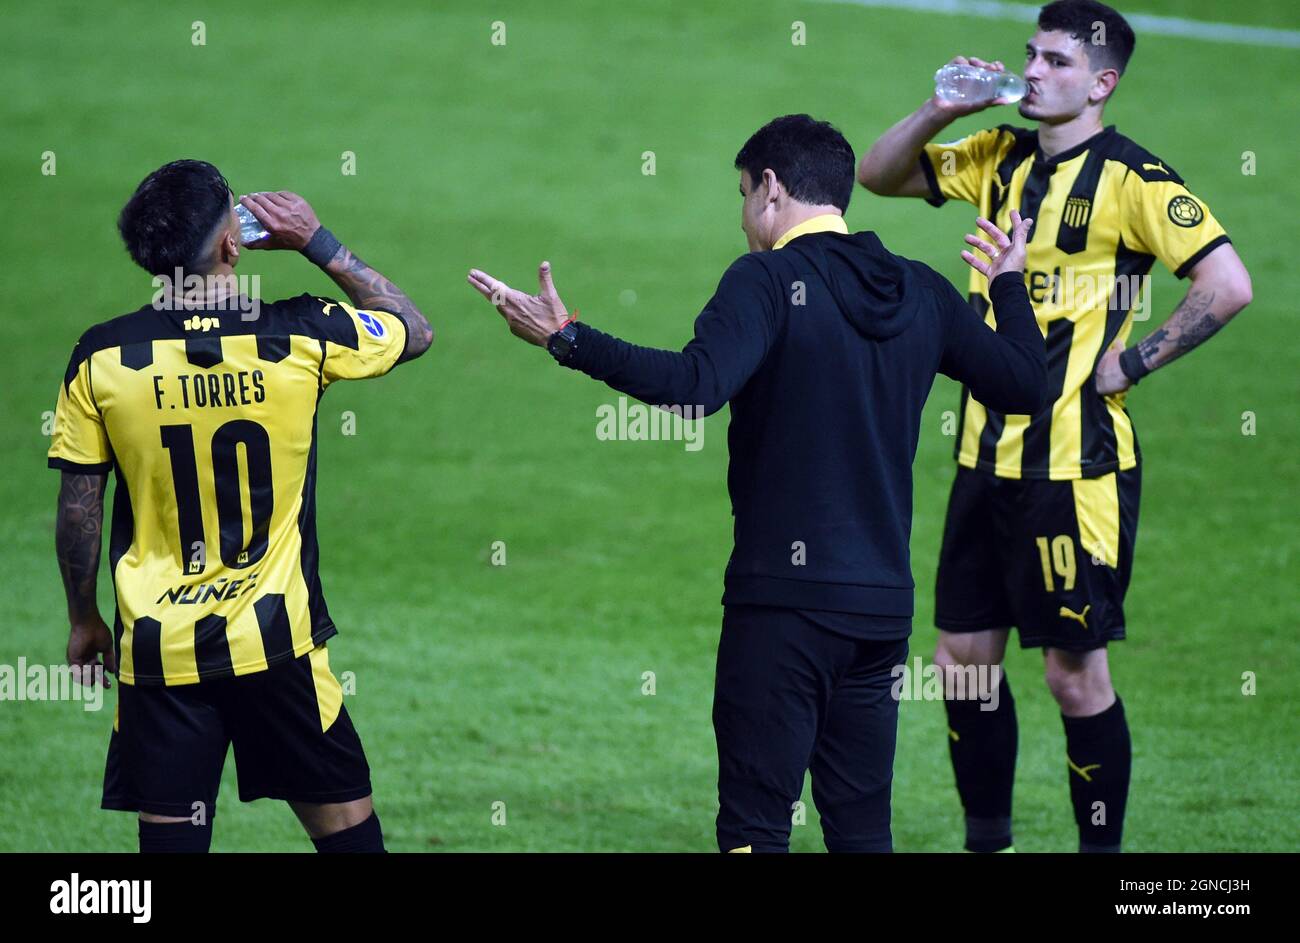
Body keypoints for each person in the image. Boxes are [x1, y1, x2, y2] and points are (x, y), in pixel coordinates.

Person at [467, 114, 1046, 852]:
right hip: (879, 613)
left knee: (754, 828)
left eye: (743, 194)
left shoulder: (769, 280)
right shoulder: (922, 291)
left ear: (770, 189)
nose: (744, 217)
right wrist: (1010, 285)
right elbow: (1028, 385)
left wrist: (568, 338)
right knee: (864, 831)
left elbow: (695, 386)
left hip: (784, 606)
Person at [857, 0, 1252, 852]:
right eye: (1030, 56)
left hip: (1076, 474)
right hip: (981, 457)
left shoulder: (1135, 182)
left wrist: (1130, 363)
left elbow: (1227, 284)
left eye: (1057, 63)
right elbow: (877, 175)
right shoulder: (997, 155)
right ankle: (986, 841)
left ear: (1102, 83)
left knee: (1073, 677)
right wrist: (940, 109)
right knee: (961, 662)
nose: (1032, 72)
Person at [48, 159, 432, 852]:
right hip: (277, 644)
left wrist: (83, 619)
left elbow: (79, 509)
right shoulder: (303, 334)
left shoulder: (101, 358)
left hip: (159, 655)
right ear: (233, 244)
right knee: (349, 836)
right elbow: (412, 328)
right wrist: (319, 242)